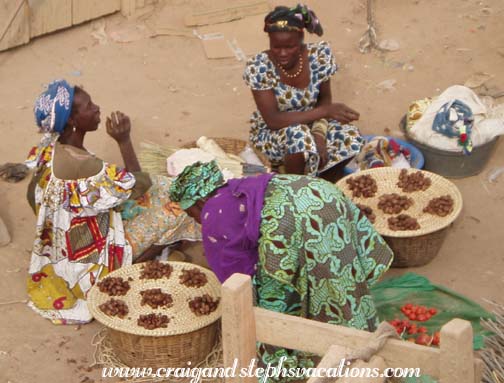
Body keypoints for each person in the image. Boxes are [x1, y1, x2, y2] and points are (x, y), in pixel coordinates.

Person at [169, 161, 393, 378]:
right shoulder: (243, 187)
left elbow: (236, 275)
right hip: (321, 194)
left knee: (272, 294)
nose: (197, 221)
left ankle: (283, 362)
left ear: (199, 202)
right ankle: (362, 333)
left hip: (294, 220)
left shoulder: (211, 212)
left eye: (192, 215)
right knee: (339, 277)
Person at [25, 80, 200, 324]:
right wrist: (124, 141)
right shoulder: (84, 165)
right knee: (180, 206)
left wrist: (67, 219)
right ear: (73, 121)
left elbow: (32, 194)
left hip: (65, 251)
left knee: (163, 187)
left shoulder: (49, 150)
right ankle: (125, 267)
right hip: (91, 263)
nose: (97, 108)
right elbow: (138, 185)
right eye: (88, 106)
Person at [243, 4, 364, 181]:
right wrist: (325, 112)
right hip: (273, 133)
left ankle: (322, 182)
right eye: (276, 47)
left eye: (290, 46)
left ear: (301, 38)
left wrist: (319, 134)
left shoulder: (319, 55)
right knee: (298, 136)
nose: (282, 53)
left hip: (312, 123)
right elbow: (273, 120)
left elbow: (324, 99)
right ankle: (295, 187)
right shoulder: (259, 67)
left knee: (351, 136)